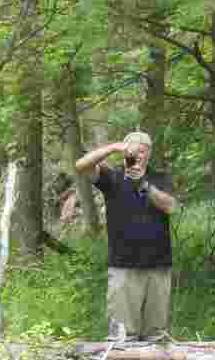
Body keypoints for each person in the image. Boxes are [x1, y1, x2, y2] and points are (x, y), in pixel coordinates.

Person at [74, 130, 179, 342]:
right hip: (123, 267)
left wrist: (143, 183)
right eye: (133, 150)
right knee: (122, 338)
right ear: (125, 151)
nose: (138, 154)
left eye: (143, 150)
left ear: (149, 153)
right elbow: (81, 166)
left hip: (158, 267)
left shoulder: (159, 177)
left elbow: (170, 207)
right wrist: (112, 147)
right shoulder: (112, 177)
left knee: (156, 337)